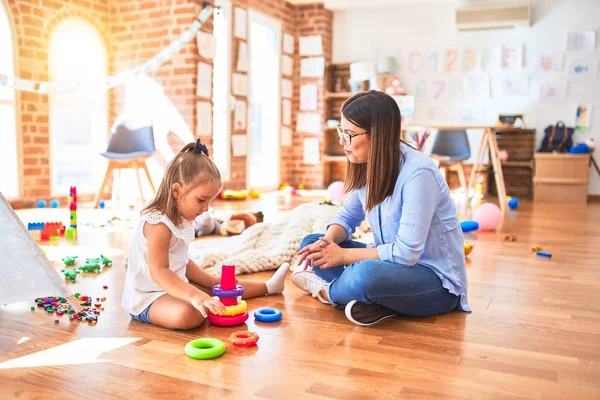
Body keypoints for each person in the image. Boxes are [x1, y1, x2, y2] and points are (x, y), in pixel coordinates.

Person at [291, 90, 471, 326]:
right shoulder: (367, 164)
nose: (342, 141)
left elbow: (406, 254)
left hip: (435, 284)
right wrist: (327, 242)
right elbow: (347, 218)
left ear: (378, 135)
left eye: (350, 134)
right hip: (391, 267)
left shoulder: (419, 173)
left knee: (365, 275)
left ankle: (328, 293)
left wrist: (343, 255)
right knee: (311, 244)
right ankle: (377, 302)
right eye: (341, 132)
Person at [122, 139, 289, 330]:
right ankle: (204, 300)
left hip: (173, 287)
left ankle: (269, 287)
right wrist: (195, 295)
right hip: (147, 297)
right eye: (201, 200)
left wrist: (210, 281)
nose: (206, 208)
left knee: (220, 287)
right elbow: (159, 272)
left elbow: (181, 260)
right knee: (191, 314)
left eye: (209, 201)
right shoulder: (158, 224)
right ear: (177, 190)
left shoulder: (180, 218)